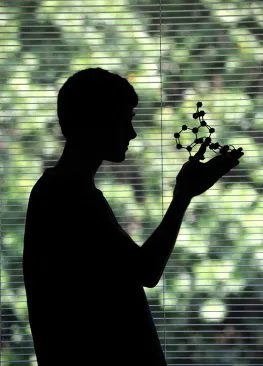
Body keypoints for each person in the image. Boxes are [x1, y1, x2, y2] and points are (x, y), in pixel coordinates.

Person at [23, 67, 244, 366]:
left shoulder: (62, 192)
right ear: (94, 122)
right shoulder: (67, 195)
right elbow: (147, 270)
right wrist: (182, 196)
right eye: (123, 121)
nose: (131, 133)